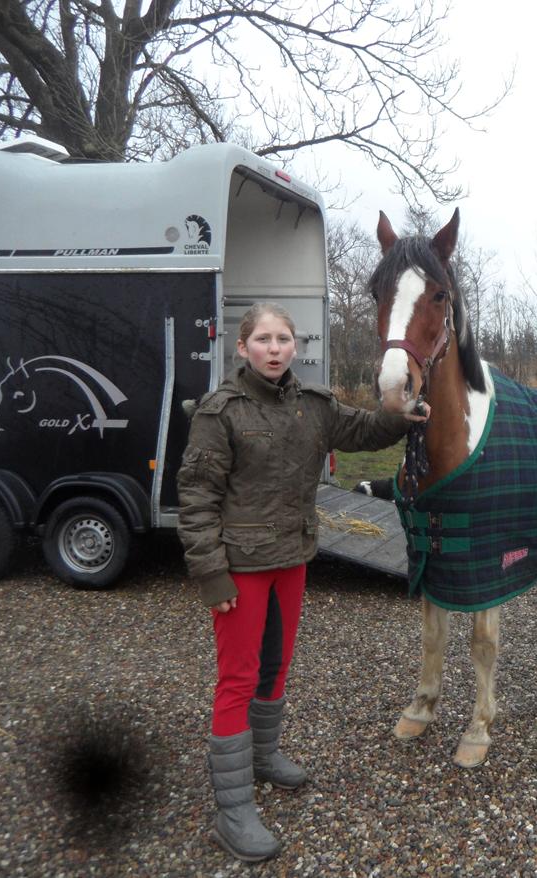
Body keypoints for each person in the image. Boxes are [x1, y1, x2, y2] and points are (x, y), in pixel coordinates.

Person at [177, 302, 425, 862]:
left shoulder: (312, 405)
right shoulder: (220, 413)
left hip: (292, 560)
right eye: (262, 339)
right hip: (240, 568)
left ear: (295, 346)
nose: (273, 348)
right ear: (243, 348)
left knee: (276, 666)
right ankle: (232, 811)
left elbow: (362, 429)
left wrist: (403, 414)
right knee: (237, 679)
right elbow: (195, 501)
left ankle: (263, 758)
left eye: (282, 339)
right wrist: (211, 574)